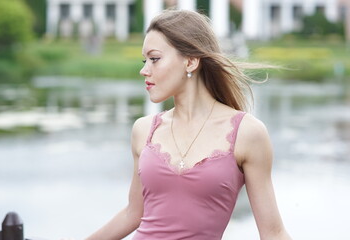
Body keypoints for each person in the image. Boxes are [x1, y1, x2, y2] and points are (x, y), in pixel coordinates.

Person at [86, 9, 291, 240]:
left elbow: (273, 233)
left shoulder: (247, 133)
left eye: (154, 59)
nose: (144, 70)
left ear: (191, 61)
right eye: (145, 61)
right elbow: (133, 214)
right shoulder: (143, 130)